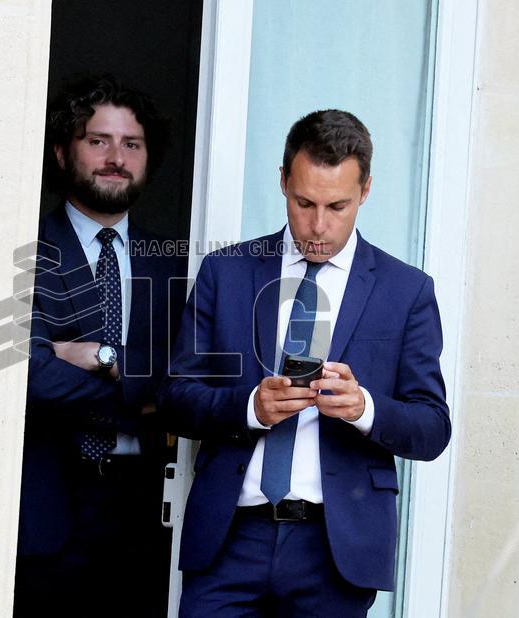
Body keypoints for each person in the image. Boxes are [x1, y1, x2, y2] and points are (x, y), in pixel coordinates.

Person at [159, 109, 451, 617]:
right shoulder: (224, 273)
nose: (318, 224)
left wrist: (365, 410)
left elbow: (432, 428)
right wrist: (250, 407)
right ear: (282, 183)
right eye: (304, 202)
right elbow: (175, 398)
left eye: (337, 205)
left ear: (365, 192)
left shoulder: (407, 292)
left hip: (335, 551)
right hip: (230, 539)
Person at [14, 75, 186, 617]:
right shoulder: (21, 249)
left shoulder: (175, 265)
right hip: (49, 507)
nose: (116, 157)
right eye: (98, 140)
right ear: (63, 152)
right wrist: (140, 395)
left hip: (144, 509)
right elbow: (26, 378)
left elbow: (183, 377)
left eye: (131, 144)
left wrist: (98, 357)